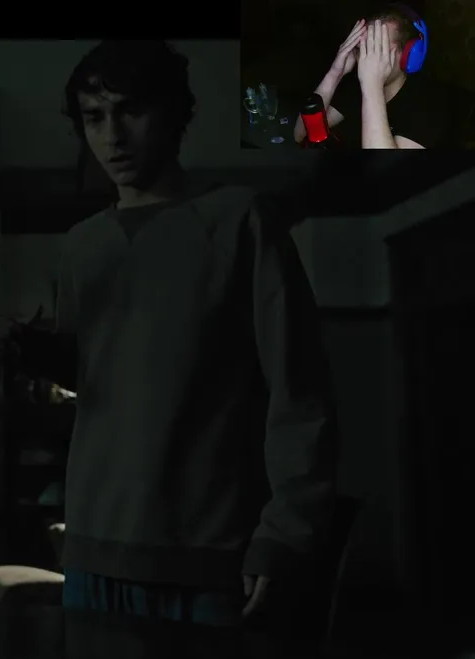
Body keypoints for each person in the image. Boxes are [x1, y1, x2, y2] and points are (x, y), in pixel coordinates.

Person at [48, 40, 338, 626]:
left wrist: (285, 531)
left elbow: (300, 391)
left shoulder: (239, 220)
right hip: (93, 553)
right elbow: (90, 376)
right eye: (94, 117)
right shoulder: (81, 246)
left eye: (131, 111)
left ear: (173, 113)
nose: (112, 136)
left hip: (207, 554)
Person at [293, 5, 450, 149]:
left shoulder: (430, 103)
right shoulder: (355, 87)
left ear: (408, 56)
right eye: (362, 47)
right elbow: (302, 135)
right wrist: (335, 73)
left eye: (377, 49)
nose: (365, 58)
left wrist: (372, 85)